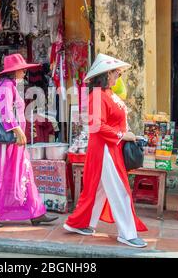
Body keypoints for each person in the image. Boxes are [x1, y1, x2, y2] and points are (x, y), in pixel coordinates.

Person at [63, 53, 148, 248]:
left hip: (111, 148)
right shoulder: (97, 96)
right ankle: (127, 233)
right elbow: (97, 125)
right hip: (105, 149)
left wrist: (124, 134)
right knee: (120, 190)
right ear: (106, 75)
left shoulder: (108, 94)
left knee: (99, 188)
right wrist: (121, 135)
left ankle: (83, 223)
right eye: (116, 73)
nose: (119, 76)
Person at [0, 53, 58, 227]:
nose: (24, 73)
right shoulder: (5, 86)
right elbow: (4, 110)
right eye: (22, 70)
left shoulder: (9, 85)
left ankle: (35, 211)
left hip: (12, 141)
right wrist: (17, 129)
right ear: (15, 71)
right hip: (5, 142)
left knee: (24, 172)